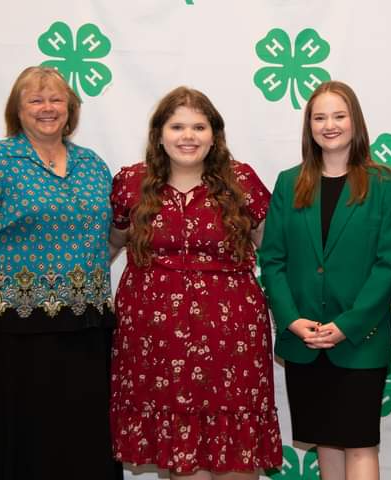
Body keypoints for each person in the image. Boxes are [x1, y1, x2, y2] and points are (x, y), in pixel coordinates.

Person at [0, 66, 117, 479]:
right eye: (36, 100)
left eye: (56, 99)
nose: (48, 108)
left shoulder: (93, 165)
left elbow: (108, 239)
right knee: (15, 444)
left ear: (70, 109)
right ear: (18, 110)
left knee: (80, 444)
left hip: (87, 331)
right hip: (13, 334)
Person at [108, 86, 282, 479]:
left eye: (199, 126)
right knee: (181, 461)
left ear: (214, 134)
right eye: (177, 126)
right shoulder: (131, 183)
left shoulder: (241, 181)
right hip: (156, 343)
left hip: (231, 341)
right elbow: (109, 245)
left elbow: (275, 250)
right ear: (159, 134)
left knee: (235, 456)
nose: (188, 136)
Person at [258, 80, 391, 480]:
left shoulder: (386, 183)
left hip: (359, 341)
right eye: (319, 117)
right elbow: (272, 259)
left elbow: (389, 265)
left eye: (339, 115)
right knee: (325, 441)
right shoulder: (289, 183)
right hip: (305, 339)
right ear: (309, 126)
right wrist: (290, 319)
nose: (329, 125)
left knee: (359, 444)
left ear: (355, 122)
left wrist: (346, 325)